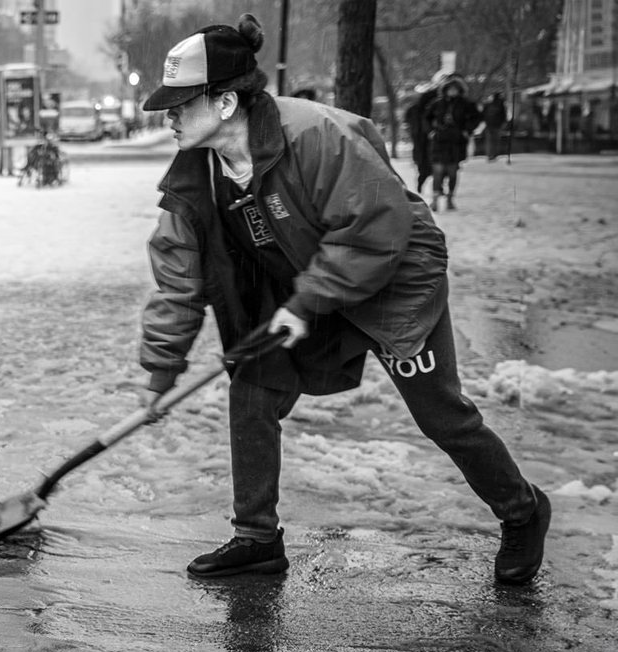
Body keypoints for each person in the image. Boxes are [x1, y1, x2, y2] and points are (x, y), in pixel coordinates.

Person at [137, 15, 550, 585]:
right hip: (306, 290)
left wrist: (304, 304)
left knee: (441, 415)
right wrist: (159, 374)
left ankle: (523, 510)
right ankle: (257, 538)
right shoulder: (196, 176)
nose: (169, 115)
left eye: (182, 103)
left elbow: (376, 230)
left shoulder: (315, 135)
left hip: (394, 280)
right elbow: (177, 278)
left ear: (226, 102)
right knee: (252, 392)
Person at [424, 74, 481, 211]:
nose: (452, 91)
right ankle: (435, 199)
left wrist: (467, 130)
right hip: (439, 140)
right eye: (450, 89)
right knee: (437, 171)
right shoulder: (437, 104)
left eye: (455, 89)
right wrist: (431, 131)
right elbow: (426, 118)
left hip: (456, 142)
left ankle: (450, 198)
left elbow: (477, 118)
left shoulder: (466, 104)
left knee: (452, 172)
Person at [404, 88, 438, 194]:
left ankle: (434, 187)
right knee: (426, 166)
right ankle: (424, 185)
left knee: (430, 166)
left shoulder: (419, 109)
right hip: (423, 140)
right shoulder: (422, 109)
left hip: (426, 140)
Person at [481, 92, 507, 162]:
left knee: (489, 141)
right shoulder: (501, 104)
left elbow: (483, 114)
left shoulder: (488, 104)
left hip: (489, 125)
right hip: (497, 125)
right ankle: (494, 155)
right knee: (496, 140)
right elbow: (504, 115)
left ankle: (489, 155)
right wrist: (503, 123)